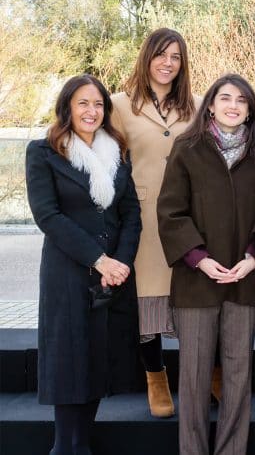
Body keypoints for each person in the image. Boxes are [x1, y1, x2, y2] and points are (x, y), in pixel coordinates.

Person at [158, 74, 255, 455]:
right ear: (209, 104)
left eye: (241, 100)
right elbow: (171, 211)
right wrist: (199, 259)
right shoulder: (187, 148)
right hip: (197, 281)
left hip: (243, 280)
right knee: (193, 378)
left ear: (249, 110)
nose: (232, 105)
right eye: (224, 98)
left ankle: (231, 450)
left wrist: (252, 257)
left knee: (238, 374)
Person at [26, 74, 141, 455]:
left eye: (98, 104)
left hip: (111, 279)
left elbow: (131, 213)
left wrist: (120, 263)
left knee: (96, 360)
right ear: (67, 108)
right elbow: (48, 216)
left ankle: (82, 444)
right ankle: (65, 446)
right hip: (69, 275)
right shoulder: (43, 152)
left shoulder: (118, 152)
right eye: (83, 103)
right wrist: (100, 259)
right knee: (69, 362)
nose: (91, 111)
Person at [111, 27, 198, 419]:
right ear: (147, 57)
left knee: (195, 300)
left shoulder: (196, 105)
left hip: (188, 216)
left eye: (176, 56)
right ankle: (156, 377)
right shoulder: (118, 105)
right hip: (142, 218)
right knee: (147, 301)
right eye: (161, 54)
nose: (168, 63)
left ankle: (209, 372)